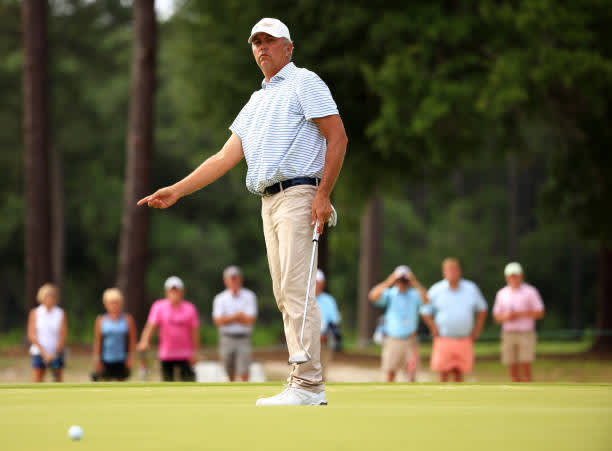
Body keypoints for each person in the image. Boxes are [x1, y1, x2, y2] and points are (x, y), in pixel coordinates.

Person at [137, 18, 347, 405]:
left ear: (289, 47)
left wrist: (323, 194)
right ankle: (302, 382)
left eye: (270, 41)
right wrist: (177, 191)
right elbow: (223, 158)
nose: (262, 48)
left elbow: (337, 136)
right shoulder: (256, 102)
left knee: (297, 291)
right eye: (256, 42)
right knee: (284, 293)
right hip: (268, 202)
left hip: (300, 193)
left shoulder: (305, 82)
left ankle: (308, 385)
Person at [421, 258, 488, 382]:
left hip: (464, 338)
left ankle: (458, 400)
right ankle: (443, 400)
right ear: (444, 272)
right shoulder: (437, 289)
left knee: (459, 373)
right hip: (444, 338)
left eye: (454, 270)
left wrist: (477, 330)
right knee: (443, 373)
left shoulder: (470, 288)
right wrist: (433, 327)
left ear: (459, 271)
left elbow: (482, 309)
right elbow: (425, 310)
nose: (452, 273)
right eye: (449, 270)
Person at [368, 265, 428, 382]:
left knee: (411, 375)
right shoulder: (390, 294)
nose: (402, 282)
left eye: (404, 279)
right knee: (390, 373)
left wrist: (414, 282)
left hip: (411, 341)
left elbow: (427, 300)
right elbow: (372, 296)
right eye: (400, 279)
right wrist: (389, 281)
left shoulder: (415, 295)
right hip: (393, 340)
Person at [136, 276, 200, 382]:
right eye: (171, 290)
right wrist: (144, 341)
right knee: (167, 384)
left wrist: (195, 352)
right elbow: (150, 326)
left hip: (185, 355)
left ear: (182, 292)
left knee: (188, 385)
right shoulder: (159, 307)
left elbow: (194, 332)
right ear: (166, 292)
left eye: (177, 290)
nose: (174, 293)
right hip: (166, 355)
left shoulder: (190, 308)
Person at [493, 262, 545, 382]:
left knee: (526, 365)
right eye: (511, 276)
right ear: (507, 277)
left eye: (516, 275)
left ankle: (528, 393)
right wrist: (506, 316)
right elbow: (496, 316)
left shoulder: (530, 291)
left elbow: (540, 312)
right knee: (512, 367)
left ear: (521, 276)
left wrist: (520, 314)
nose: (513, 278)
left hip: (525, 333)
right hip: (508, 333)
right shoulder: (501, 293)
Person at [213, 265, 258, 382]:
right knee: (229, 370)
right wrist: (238, 316)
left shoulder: (249, 296)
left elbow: (250, 320)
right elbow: (218, 321)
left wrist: (227, 318)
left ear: (240, 279)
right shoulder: (220, 298)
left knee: (244, 370)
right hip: (226, 338)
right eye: (231, 278)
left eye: (235, 278)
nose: (234, 281)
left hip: (243, 338)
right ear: (226, 280)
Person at [92, 288, 137, 381]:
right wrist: (97, 359)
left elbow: (132, 341)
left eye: (116, 302)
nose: (114, 305)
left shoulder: (128, 319)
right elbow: (98, 342)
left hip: (122, 359)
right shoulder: (101, 320)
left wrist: (130, 357)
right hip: (106, 359)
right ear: (106, 304)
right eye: (111, 302)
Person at [27, 283, 68, 382]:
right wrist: (44, 354)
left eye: (52, 296)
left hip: (56, 352)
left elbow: (63, 335)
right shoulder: (35, 313)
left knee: (58, 380)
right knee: (37, 380)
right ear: (42, 297)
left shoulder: (60, 313)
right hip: (39, 352)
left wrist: (54, 353)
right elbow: (32, 335)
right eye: (47, 296)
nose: (50, 299)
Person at [315, 269, 341, 381]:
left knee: (321, 374)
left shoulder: (328, 300)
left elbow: (334, 322)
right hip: (304, 341)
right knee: (303, 373)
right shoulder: (302, 298)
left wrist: (326, 334)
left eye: (318, 283)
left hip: (324, 341)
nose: (317, 285)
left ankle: (318, 397)